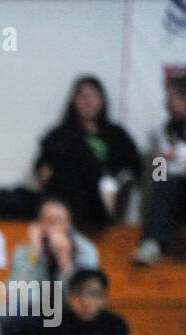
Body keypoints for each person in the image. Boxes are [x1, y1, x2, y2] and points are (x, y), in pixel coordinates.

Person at [35, 76, 141, 232]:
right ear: (74, 101)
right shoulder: (59, 135)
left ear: (102, 100)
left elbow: (135, 168)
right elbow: (42, 171)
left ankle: (103, 186)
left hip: (102, 203)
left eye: (92, 96)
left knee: (79, 153)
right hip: (67, 198)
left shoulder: (117, 135)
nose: (87, 101)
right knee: (73, 155)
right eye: (82, 96)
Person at [132, 72, 186, 268]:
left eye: (171, 98)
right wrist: (161, 160)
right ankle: (152, 243)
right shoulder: (169, 128)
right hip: (180, 196)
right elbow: (157, 174)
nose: (166, 104)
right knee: (164, 179)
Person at [5, 198, 99, 335]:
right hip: (36, 312)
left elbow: (84, 298)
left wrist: (65, 260)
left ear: (69, 225)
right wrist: (34, 254)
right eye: (48, 220)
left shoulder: (86, 251)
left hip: (70, 313)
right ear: (39, 224)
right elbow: (14, 295)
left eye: (58, 220)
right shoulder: (25, 250)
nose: (52, 225)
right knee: (6, 315)